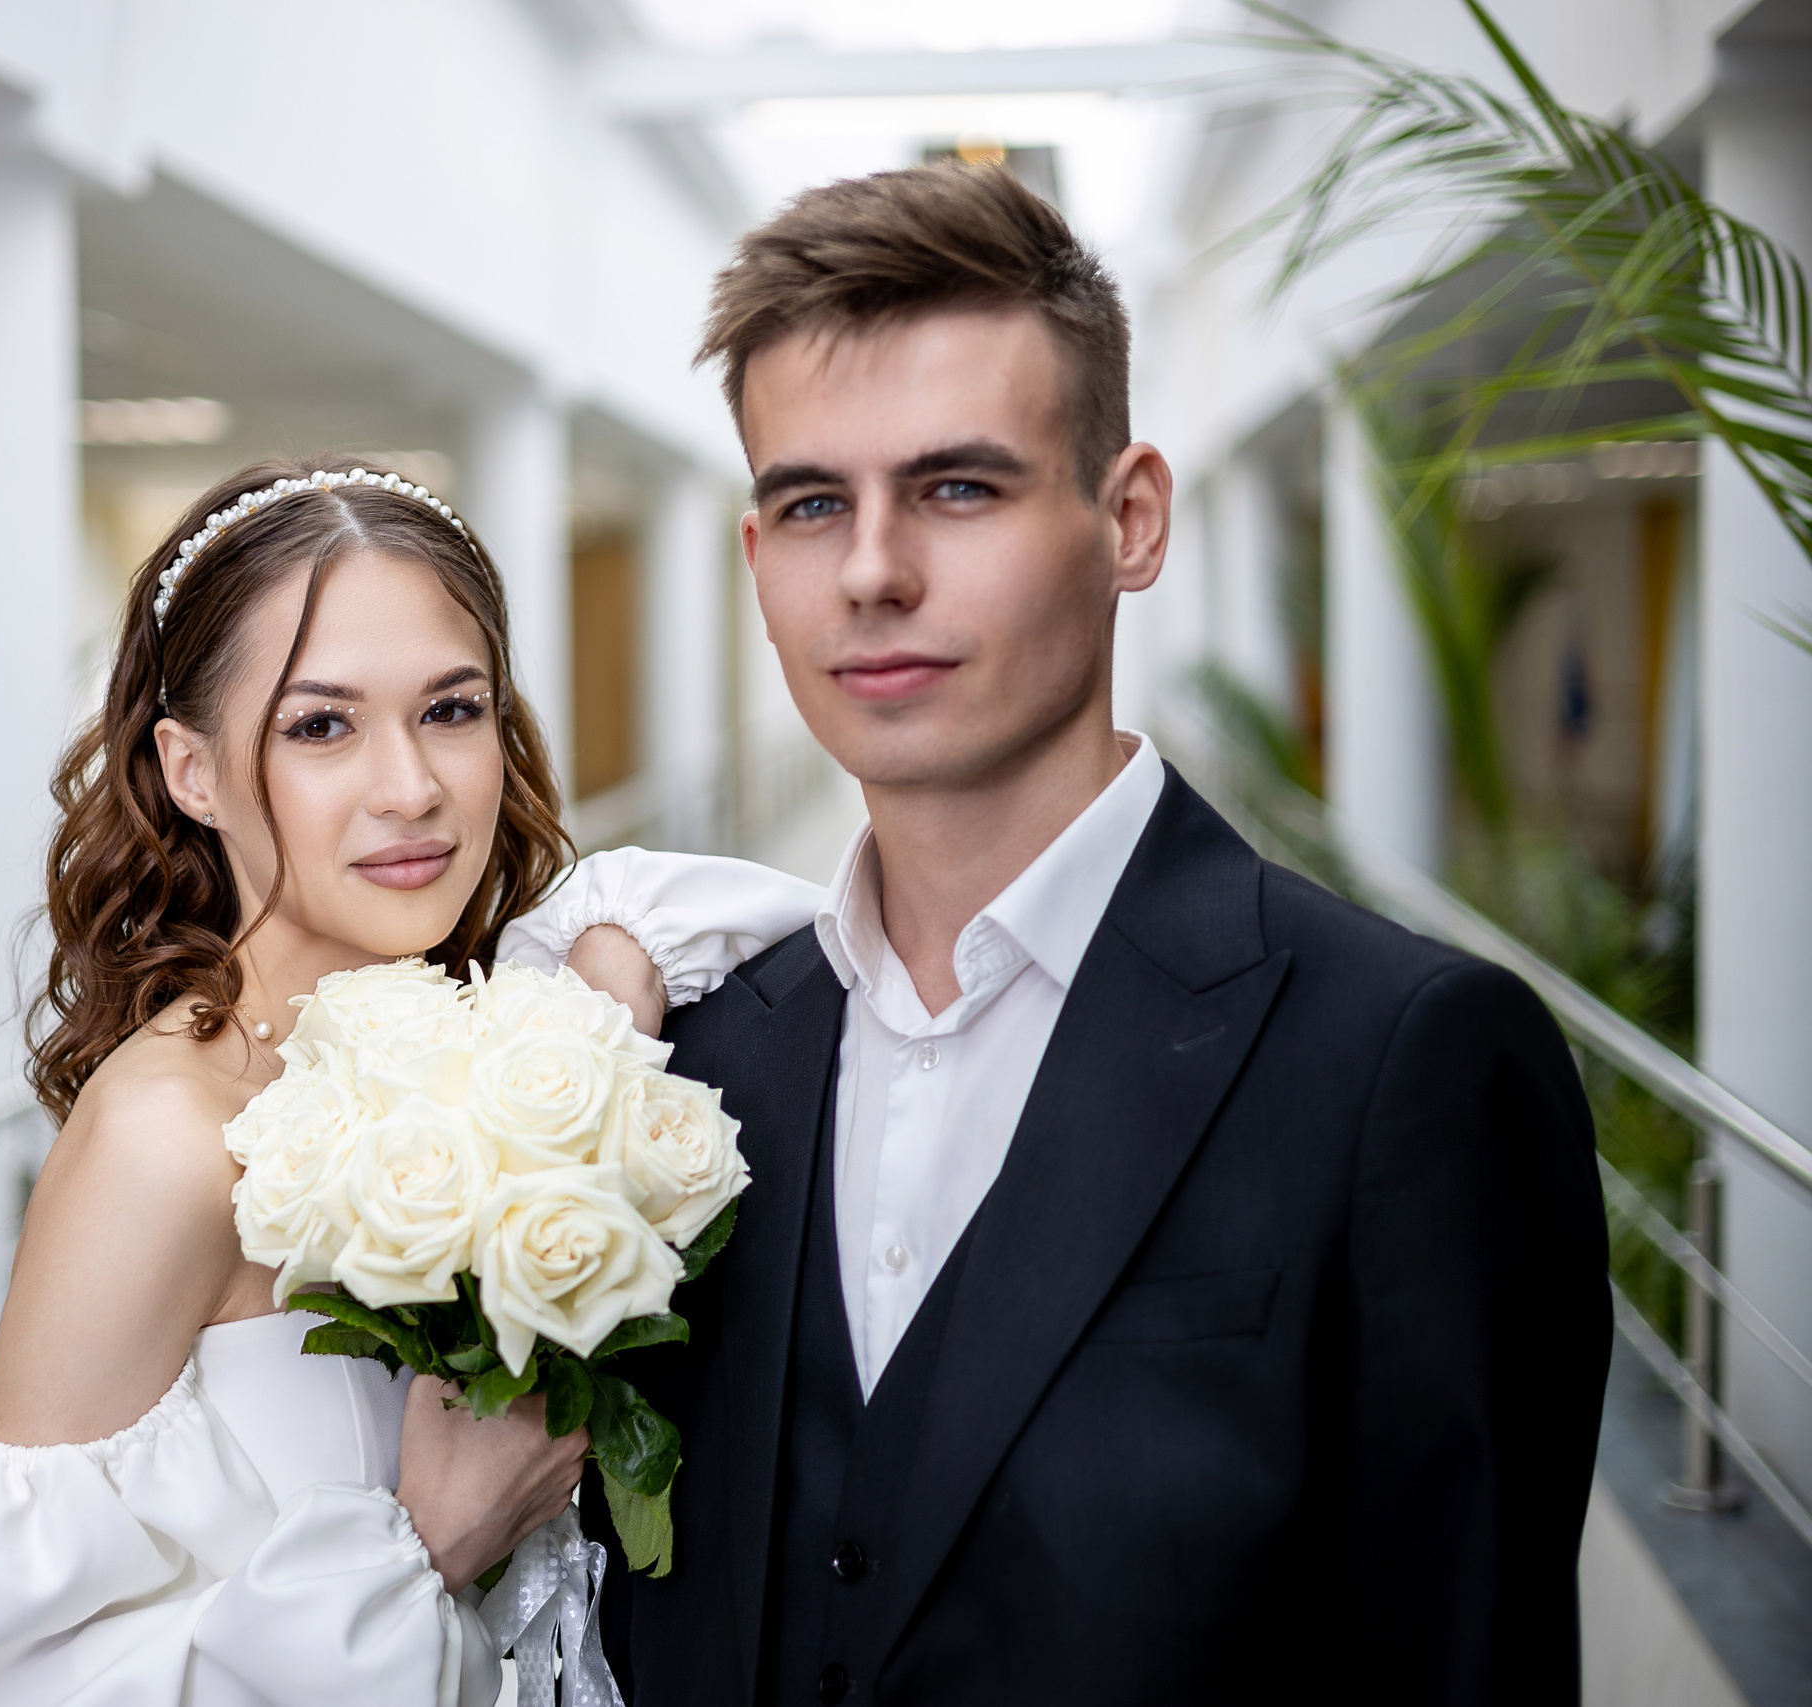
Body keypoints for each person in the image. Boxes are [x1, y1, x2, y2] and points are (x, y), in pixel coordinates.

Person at [535, 160, 1612, 1705]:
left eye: (957, 486)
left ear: (1131, 518)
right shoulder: (692, 1055)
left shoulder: (1403, 1061)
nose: (874, 570)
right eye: (812, 501)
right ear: (756, 559)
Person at [0, 457, 819, 1707]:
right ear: (192, 770)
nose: (414, 789)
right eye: (320, 725)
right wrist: (421, 1546)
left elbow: (752, 913)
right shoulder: (166, 1141)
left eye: (452, 709)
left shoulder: (492, 1028)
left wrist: (600, 1005)